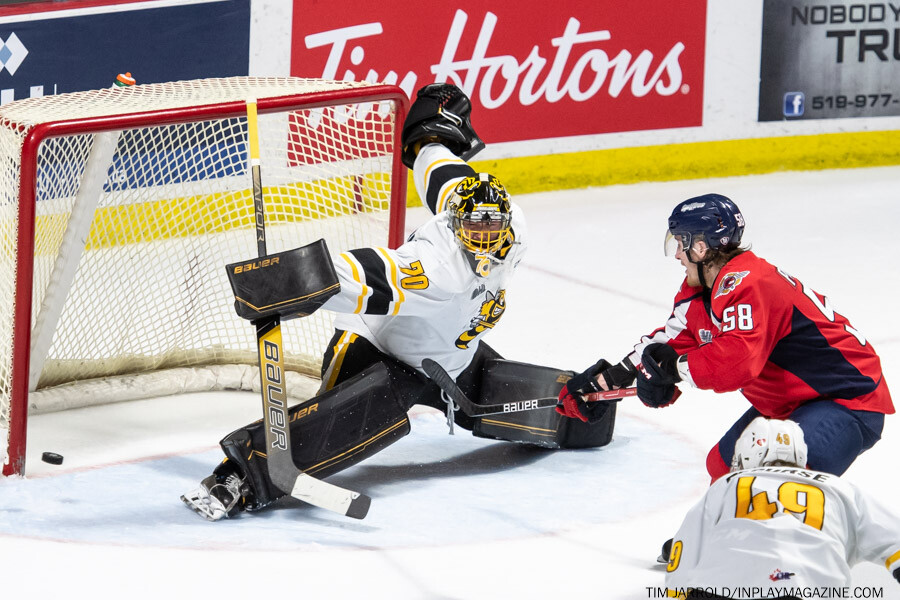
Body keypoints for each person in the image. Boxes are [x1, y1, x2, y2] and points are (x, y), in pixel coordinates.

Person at [181, 83, 610, 521]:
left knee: (580, 415)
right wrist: (293, 281)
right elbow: (372, 274)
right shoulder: (439, 264)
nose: (483, 236)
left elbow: (445, 175)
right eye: (472, 228)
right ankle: (237, 477)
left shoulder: (510, 224)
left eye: (491, 225)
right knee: (331, 434)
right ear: (455, 225)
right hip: (377, 355)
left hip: (450, 360)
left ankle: (596, 404)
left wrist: (429, 140)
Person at [556, 194, 893, 481]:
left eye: (680, 243)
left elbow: (737, 361)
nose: (676, 254)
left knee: (780, 471)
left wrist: (674, 371)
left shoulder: (749, 283)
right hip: (789, 402)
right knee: (723, 467)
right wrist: (606, 382)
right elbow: (672, 339)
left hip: (846, 402)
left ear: (700, 247)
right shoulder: (702, 289)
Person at [664, 417, 900, 599]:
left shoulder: (727, 484)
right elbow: (895, 543)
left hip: (721, 589)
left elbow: (682, 559)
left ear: (746, 456)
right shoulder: (841, 489)